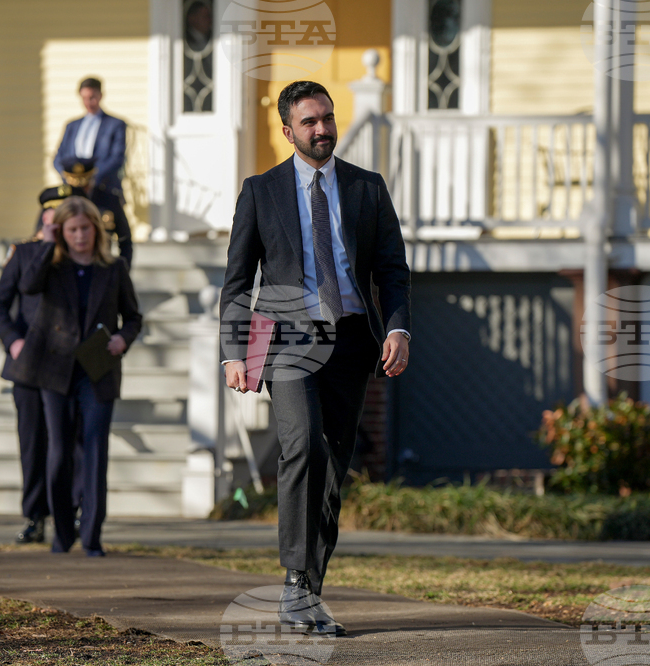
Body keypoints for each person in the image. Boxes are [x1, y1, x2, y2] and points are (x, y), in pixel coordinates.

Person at [220, 81, 412, 636]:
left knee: (332, 465)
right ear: (288, 130)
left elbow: (392, 268)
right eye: (310, 122)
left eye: (328, 118)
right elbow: (238, 281)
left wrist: (397, 327)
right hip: (285, 341)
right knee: (302, 443)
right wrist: (237, 352)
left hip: (352, 340)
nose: (323, 129)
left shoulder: (367, 188)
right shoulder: (261, 191)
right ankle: (294, 581)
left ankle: (309, 587)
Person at [15, 196, 142, 556]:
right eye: (72, 229)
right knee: (58, 453)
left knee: (95, 450)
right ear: (62, 232)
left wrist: (122, 339)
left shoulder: (113, 268)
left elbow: (133, 317)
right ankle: (61, 533)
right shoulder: (51, 266)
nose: (80, 236)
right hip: (55, 370)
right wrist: (46, 239)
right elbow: (27, 286)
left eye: (85, 228)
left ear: (96, 231)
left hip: (98, 370)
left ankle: (91, 536)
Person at [0, 185, 87, 544]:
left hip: (69, 364)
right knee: (33, 441)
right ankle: (35, 515)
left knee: (72, 442)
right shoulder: (26, 252)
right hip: (30, 363)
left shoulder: (80, 253)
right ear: (44, 217)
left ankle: (74, 511)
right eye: (53, 214)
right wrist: (13, 341)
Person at [53, 77, 133, 267]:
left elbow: (117, 157)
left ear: (100, 95)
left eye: (93, 97)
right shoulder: (72, 125)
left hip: (102, 188)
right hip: (73, 190)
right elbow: (59, 157)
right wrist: (70, 177)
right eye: (85, 98)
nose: (89, 102)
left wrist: (90, 178)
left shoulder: (115, 124)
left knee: (108, 234)